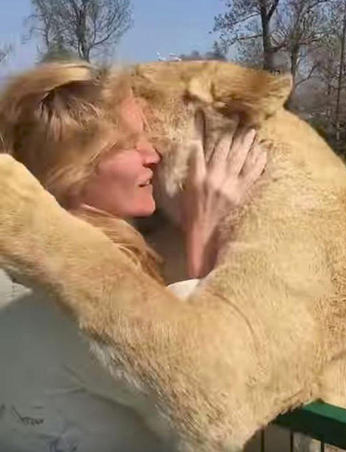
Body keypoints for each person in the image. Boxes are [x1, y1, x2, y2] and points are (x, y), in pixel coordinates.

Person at [0, 62, 266, 451]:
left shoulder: (32, 269)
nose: (153, 154)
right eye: (128, 144)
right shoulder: (75, 291)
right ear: (75, 171)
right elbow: (201, 400)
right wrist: (202, 232)